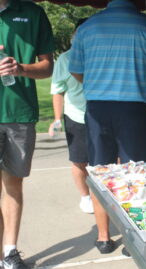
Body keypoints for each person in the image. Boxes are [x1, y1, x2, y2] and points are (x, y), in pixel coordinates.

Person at [69, 0, 146, 254]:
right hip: (134, 110)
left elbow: (76, 71)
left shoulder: (88, 27)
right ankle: (132, 239)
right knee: (137, 175)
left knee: (98, 172)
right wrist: (140, 78)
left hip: (98, 109)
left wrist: (98, 81)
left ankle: (104, 237)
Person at [0, 0, 54, 269]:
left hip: (19, 114)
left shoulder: (33, 13)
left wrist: (20, 68)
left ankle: (10, 253)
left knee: (12, 185)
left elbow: (47, 68)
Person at [48, 18, 94, 214]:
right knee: (79, 161)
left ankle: (110, 197)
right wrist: (57, 119)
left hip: (101, 114)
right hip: (75, 116)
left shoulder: (100, 54)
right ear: (73, 35)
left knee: (110, 160)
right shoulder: (64, 59)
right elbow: (57, 90)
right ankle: (85, 197)